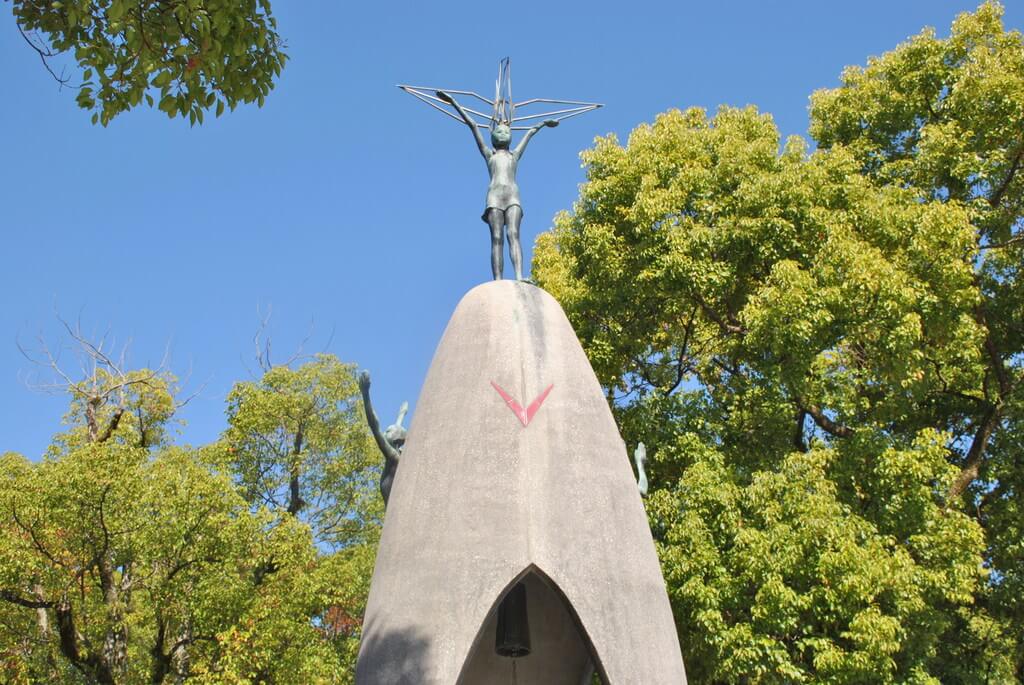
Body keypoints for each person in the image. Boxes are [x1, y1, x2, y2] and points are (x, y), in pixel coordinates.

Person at [437, 90, 558, 281]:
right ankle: (498, 280)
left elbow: (531, 132)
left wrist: (543, 123)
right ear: (492, 136)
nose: (503, 133)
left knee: (514, 234)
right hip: (494, 197)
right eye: (499, 131)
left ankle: (519, 276)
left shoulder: (514, 156)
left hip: (512, 196)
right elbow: (473, 125)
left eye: (506, 131)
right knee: (497, 238)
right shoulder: (489, 155)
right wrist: (453, 102)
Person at [358, 370, 407, 506]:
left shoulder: (394, 459)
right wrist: (401, 415)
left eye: (388, 432)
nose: (385, 434)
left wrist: (365, 394)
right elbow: (398, 429)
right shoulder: (398, 455)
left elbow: (374, 425)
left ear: (397, 442)